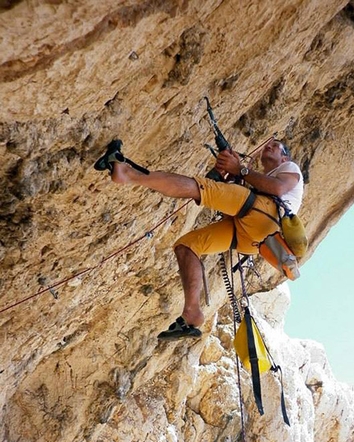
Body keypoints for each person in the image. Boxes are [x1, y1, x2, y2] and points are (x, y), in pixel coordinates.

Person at [94, 138, 304, 340]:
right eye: (269, 144)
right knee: (187, 246)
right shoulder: (261, 181)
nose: (270, 146)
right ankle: (192, 313)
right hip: (253, 238)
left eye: (276, 146)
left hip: (263, 216)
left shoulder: (290, 169)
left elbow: (277, 188)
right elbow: (245, 189)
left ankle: (127, 174)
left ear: (285, 159)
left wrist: (239, 169)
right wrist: (232, 175)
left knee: (201, 188)